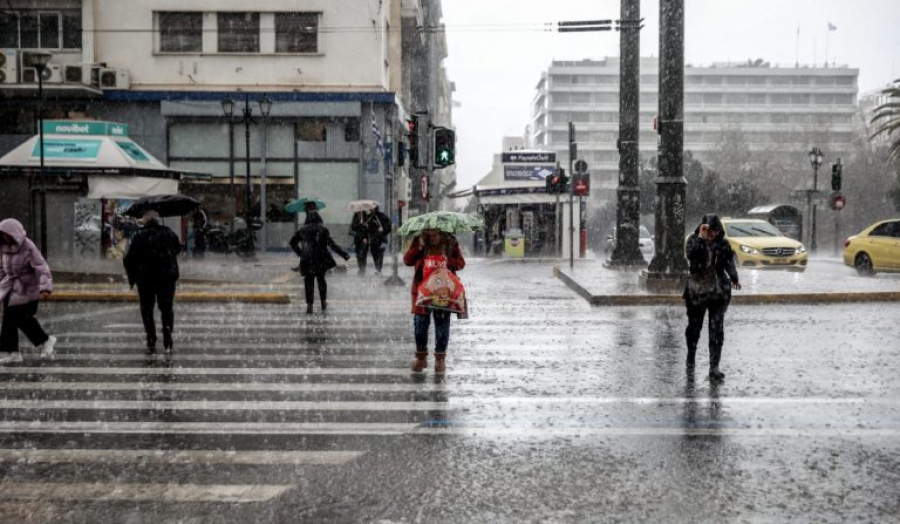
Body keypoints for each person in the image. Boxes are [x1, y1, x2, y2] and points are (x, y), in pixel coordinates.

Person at [683, 214, 741, 382]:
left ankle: (714, 367)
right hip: (697, 291)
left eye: (715, 230)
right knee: (694, 327)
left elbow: (729, 261)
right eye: (709, 230)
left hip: (718, 292)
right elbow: (691, 257)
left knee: (716, 328)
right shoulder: (694, 241)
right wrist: (701, 238)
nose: (712, 234)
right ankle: (691, 357)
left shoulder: (723, 244)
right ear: (702, 228)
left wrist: (734, 277)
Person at [404, 228, 466, 374]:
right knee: (420, 324)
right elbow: (407, 260)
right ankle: (421, 357)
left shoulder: (450, 242)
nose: (433, 235)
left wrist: (447, 261)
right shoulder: (419, 240)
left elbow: (461, 263)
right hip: (422, 291)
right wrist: (420, 247)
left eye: (435, 232)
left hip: (444, 291)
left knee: (442, 325)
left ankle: (440, 359)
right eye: (429, 232)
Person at [124, 211, 182, 351]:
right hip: (166, 278)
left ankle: (151, 337)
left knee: (147, 310)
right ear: (157, 220)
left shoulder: (138, 236)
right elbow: (178, 248)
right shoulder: (168, 233)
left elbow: (128, 258)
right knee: (166, 309)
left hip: (145, 280)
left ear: (144, 221)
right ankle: (167, 335)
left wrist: (134, 277)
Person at [0, 218, 56, 364]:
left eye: (7, 234)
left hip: (27, 289)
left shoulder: (28, 246)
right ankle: (11, 352)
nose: (5, 238)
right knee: (8, 321)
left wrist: (46, 287)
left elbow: (41, 267)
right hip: (10, 289)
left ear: (14, 233)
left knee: (21, 318)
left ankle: (45, 340)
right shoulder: (3, 247)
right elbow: (2, 269)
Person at [290, 211, 350, 314]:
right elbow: (332, 244)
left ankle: (309, 305)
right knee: (321, 281)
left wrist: (301, 253)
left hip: (307, 259)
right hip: (320, 259)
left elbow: (292, 242)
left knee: (308, 282)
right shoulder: (323, 229)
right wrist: (344, 254)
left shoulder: (302, 230)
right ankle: (323, 302)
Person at [350, 208, 392, 276]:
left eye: (372, 209)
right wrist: (363, 228)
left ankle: (378, 270)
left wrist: (383, 230)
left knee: (379, 255)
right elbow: (358, 228)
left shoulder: (381, 216)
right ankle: (365, 270)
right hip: (370, 240)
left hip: (380, 239)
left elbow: (388, 226)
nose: (370, 210)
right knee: (368, 255)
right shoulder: (365, 217)